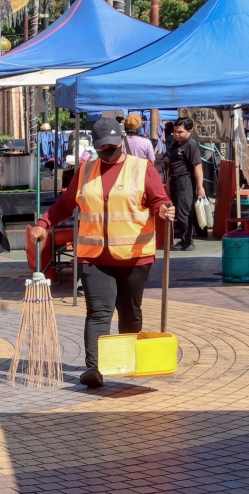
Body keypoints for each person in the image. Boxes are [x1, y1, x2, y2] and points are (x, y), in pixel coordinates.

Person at [30, 118, 175, 389]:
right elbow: (64, 204)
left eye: (112, 146)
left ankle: (129, 360)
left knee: (129, 311)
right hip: (94, 255)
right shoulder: (85, 171)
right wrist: (43, 224)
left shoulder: (142, 168)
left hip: (134, 255)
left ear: (123, 140)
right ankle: (94, 369)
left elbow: (158, 199)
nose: (107, 151)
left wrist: (164, 209)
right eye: (101, 147)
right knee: (98, 311)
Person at [166, 117, 205, 251]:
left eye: (180, 132)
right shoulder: (176, 144)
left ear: (189, 131)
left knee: (184, 212)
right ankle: (185, 240)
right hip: (176, 180)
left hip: (186, 181)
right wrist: (168, 182)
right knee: (180, 211)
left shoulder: (191, 144)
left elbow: (197, 166)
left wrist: (200, 187)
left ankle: (187, 242)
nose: (177, 134)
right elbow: (172, 165)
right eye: (175, 132)